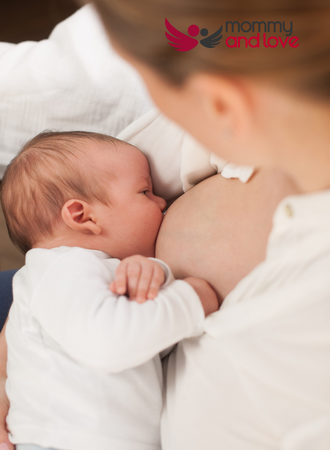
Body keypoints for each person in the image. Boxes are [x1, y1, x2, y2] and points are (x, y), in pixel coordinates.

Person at [75, 0, 330, 449]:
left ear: (222, 103)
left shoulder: (294, 343)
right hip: (65, 289)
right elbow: (100, 178)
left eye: (149, 87)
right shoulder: (283, 93)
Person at [0, 130, 219, 450]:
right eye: (144, 191)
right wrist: (193, 298)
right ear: (82, 215)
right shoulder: (64, 268)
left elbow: (141, 348)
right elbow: (108, 343)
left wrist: (156, 277)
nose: (162, 202)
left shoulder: (67, 276)